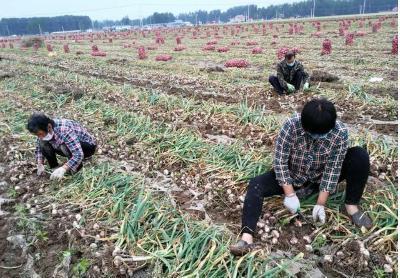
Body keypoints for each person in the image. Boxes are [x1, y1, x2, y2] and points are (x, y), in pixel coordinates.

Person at [230, 98, 372, 256]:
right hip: (293, 176)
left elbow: (333, 169)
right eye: (312, 133)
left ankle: (351, 207)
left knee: (359, 156)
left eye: (322, 135)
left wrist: (320, 204)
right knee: (256, 184)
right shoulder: (291, 125)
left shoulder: (339, 133)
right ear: (304, 125)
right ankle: (247, 237)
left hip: (319, 178)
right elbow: (280, 161)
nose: (316, 137)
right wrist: (290, 193)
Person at [27, 113, 97, 180]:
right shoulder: (43, 130)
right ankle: (55, 167)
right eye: (37, 135)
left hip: (87, 147)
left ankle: (76, 168)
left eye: (40, 134)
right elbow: (39, 148)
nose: (40, 137)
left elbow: (78, 154)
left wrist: (64, 168)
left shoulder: (64, 130)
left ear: (49, 127)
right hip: (69, 146)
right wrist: (40, 163)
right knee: (42, 143)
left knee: (63, 145)